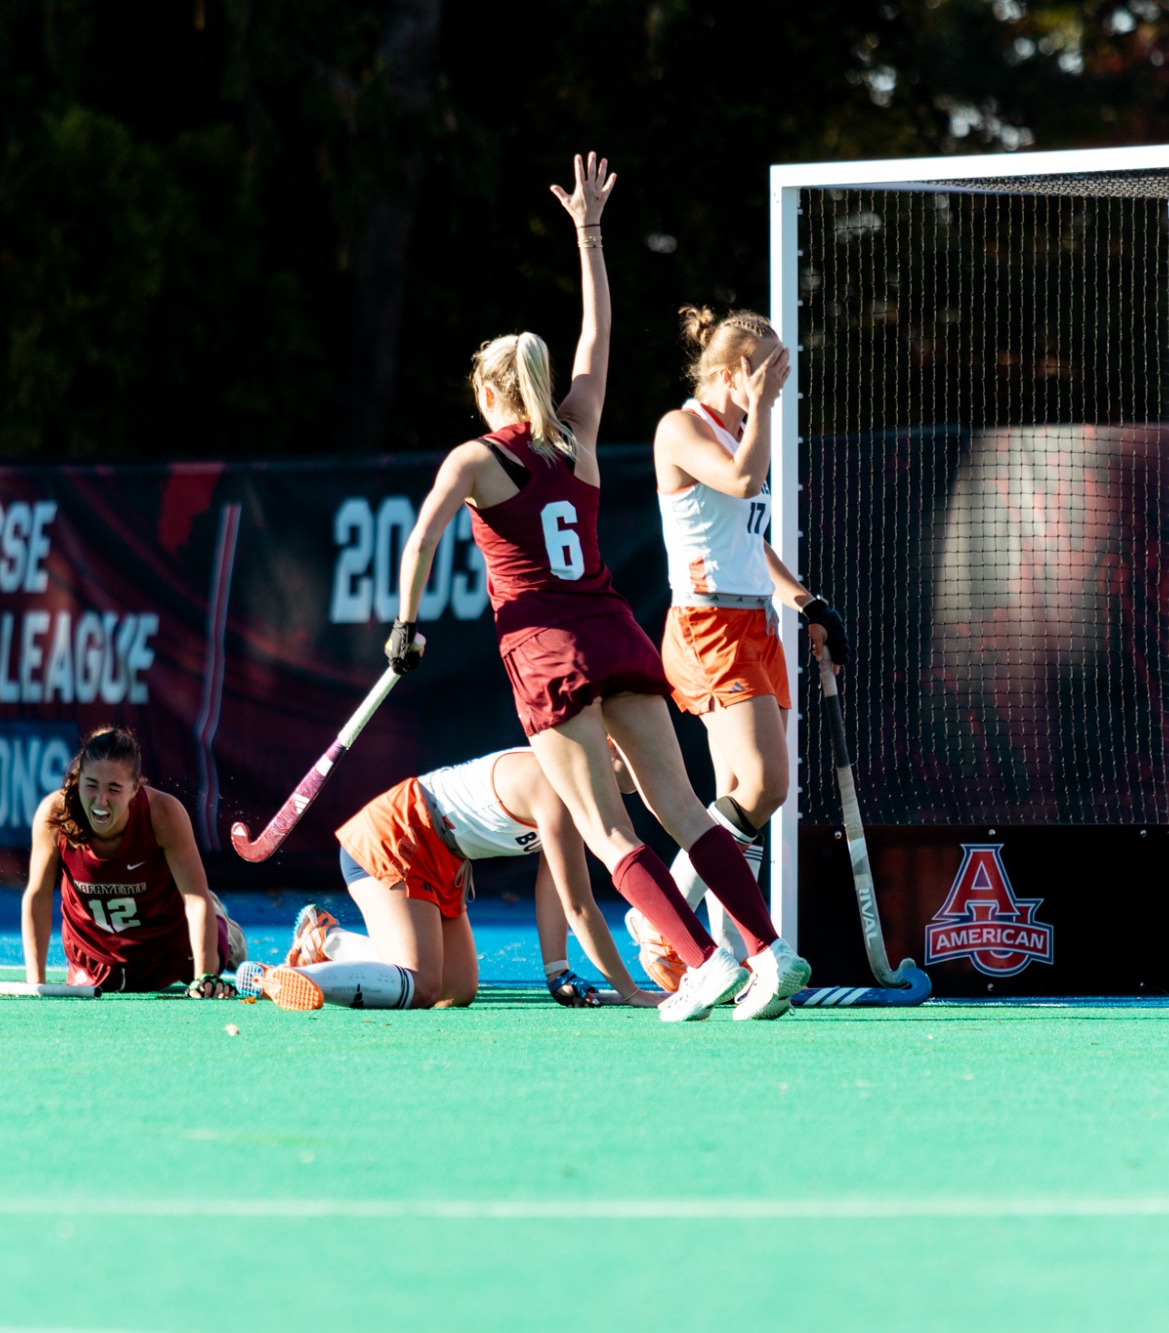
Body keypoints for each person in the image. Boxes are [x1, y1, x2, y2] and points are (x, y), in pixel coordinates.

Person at [381, 152, 811, 1021]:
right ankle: (766, 953)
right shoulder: (576, 431)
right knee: (687, 809)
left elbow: (422, 533)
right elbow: (598, 334)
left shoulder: (479, 456)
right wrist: (589, 232)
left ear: (491, 391)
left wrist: (404, 621)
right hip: (618, 628)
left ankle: (698, 963)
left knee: (608, 829)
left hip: (547, 646)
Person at [630, 305, 851, 990]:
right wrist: (759, 413)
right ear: (730, 375)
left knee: (740, 799)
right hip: (706, 626)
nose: (776, 389)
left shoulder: (742, 433)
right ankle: (657, 911)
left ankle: (745, 958)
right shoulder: (681, 429)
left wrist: (805, 600)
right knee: (764, 784)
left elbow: (752, 536)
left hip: (756, 624)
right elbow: (742, 483)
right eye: (765, 375)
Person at [243, 745, 660, 1011]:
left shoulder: (577, 793)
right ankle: (291, 979)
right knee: (423, 986)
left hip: (445, 856)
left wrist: (557, 971)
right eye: (639, 748)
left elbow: (554, 888)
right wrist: (632, 992)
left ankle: (327, 940)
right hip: (398, 832)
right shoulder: (554, 786)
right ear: (604, 745)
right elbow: (580, 905)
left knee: (455, 990)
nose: (650, 763)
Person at [22, 726, 245, 995]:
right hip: (96, 959)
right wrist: (36, 983)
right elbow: (38, 896)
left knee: (205, 951)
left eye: (114, 788)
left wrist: (205, 977)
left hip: (170, 945)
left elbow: (195, 900)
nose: (100, 802)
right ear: (78, 779)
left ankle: (225, 930)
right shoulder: (55, 814)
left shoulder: (165, 814)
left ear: (135, 789)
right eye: (91, 785)